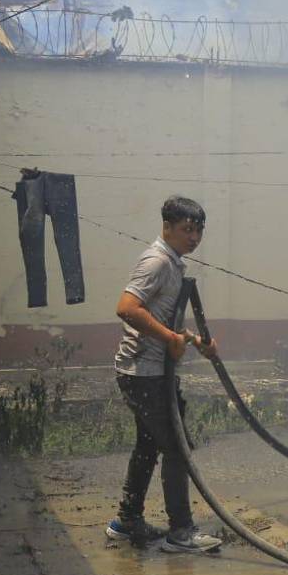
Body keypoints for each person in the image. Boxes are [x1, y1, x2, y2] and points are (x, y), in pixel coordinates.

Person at [105, 196, 222, 553]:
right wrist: (171, 338)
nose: (194, 237)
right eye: (187, 229)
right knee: (176, 446)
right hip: (144, 373)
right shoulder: (157, 261)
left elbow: (164, 319)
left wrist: (196, 341)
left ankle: (127, 521)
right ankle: (181, 532)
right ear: (167, 227)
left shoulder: (173, 263)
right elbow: (127, 307)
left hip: (148, 372)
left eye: (199, 230)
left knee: (149, 444)